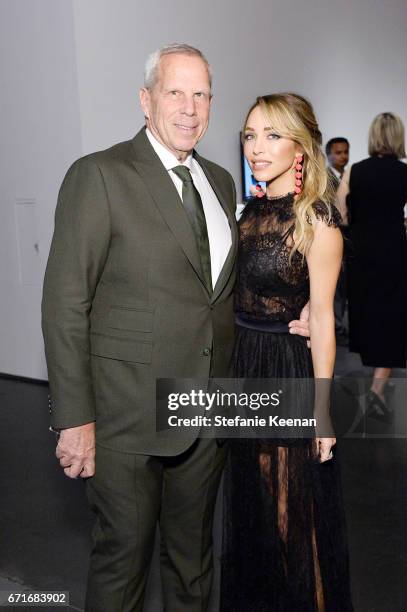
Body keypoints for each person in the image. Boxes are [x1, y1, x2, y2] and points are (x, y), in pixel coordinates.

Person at [42, 45, 309, 611]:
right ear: (146, 100)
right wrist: (74, 418)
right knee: (123, 564)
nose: (190, 108)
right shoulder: (100, 175)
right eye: (175, 92)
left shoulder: (219, 181)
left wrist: (300, 305)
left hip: (205, 413)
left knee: (193, 565)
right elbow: (65, 303)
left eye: (201, 94)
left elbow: (223, 285)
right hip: (125, 417)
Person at [221, 93, 354, 611]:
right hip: (244, 368)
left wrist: (321, 413)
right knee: (253, 506)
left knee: (290, 516)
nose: (257, 147)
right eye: (250, 135)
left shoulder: (316, 220)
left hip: (286, 371)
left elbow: (322, 318)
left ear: (300, 147)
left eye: (272, 135)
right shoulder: (249, 211)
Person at [337, 112, 407, 420]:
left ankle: (368, 376)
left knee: (365, 312)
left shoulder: (354, 171)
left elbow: (339, 213)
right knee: (393, 319)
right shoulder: (405, 173)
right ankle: (378, 389)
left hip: (361, 255)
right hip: (395, 254)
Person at [326, 137, 350, 344]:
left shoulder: (351, 176)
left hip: (350, 235)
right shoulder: (324, 178)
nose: (343, 156)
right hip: (332, 234)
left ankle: (340, 324)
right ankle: (335, 326)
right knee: (334, 283)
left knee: (344, 284)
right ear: (329, 154)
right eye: (338, 152)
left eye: (345, 152)